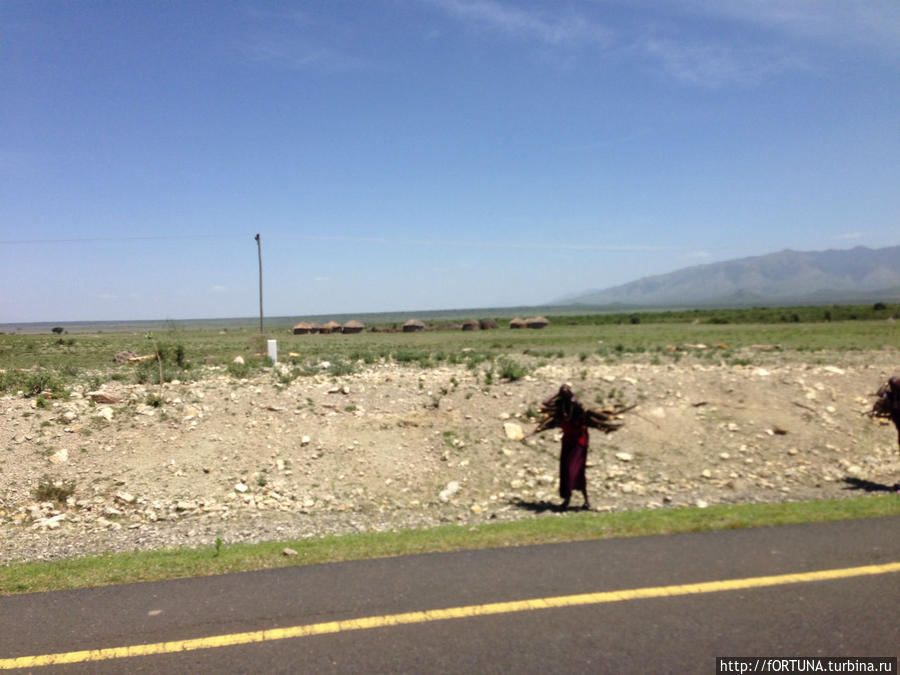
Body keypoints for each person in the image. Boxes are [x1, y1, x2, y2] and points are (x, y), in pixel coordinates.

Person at [540, 385, 592, 510]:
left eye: (566, 393)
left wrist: (573, 397)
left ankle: (586, 500)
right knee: (565, 470)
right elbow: (545, 402)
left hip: (579, 442)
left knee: (575, 470)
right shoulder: (559, 407)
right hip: (567, 441)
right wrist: (556, 394)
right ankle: (567, 499)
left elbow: (577, 403)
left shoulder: (577, 408)